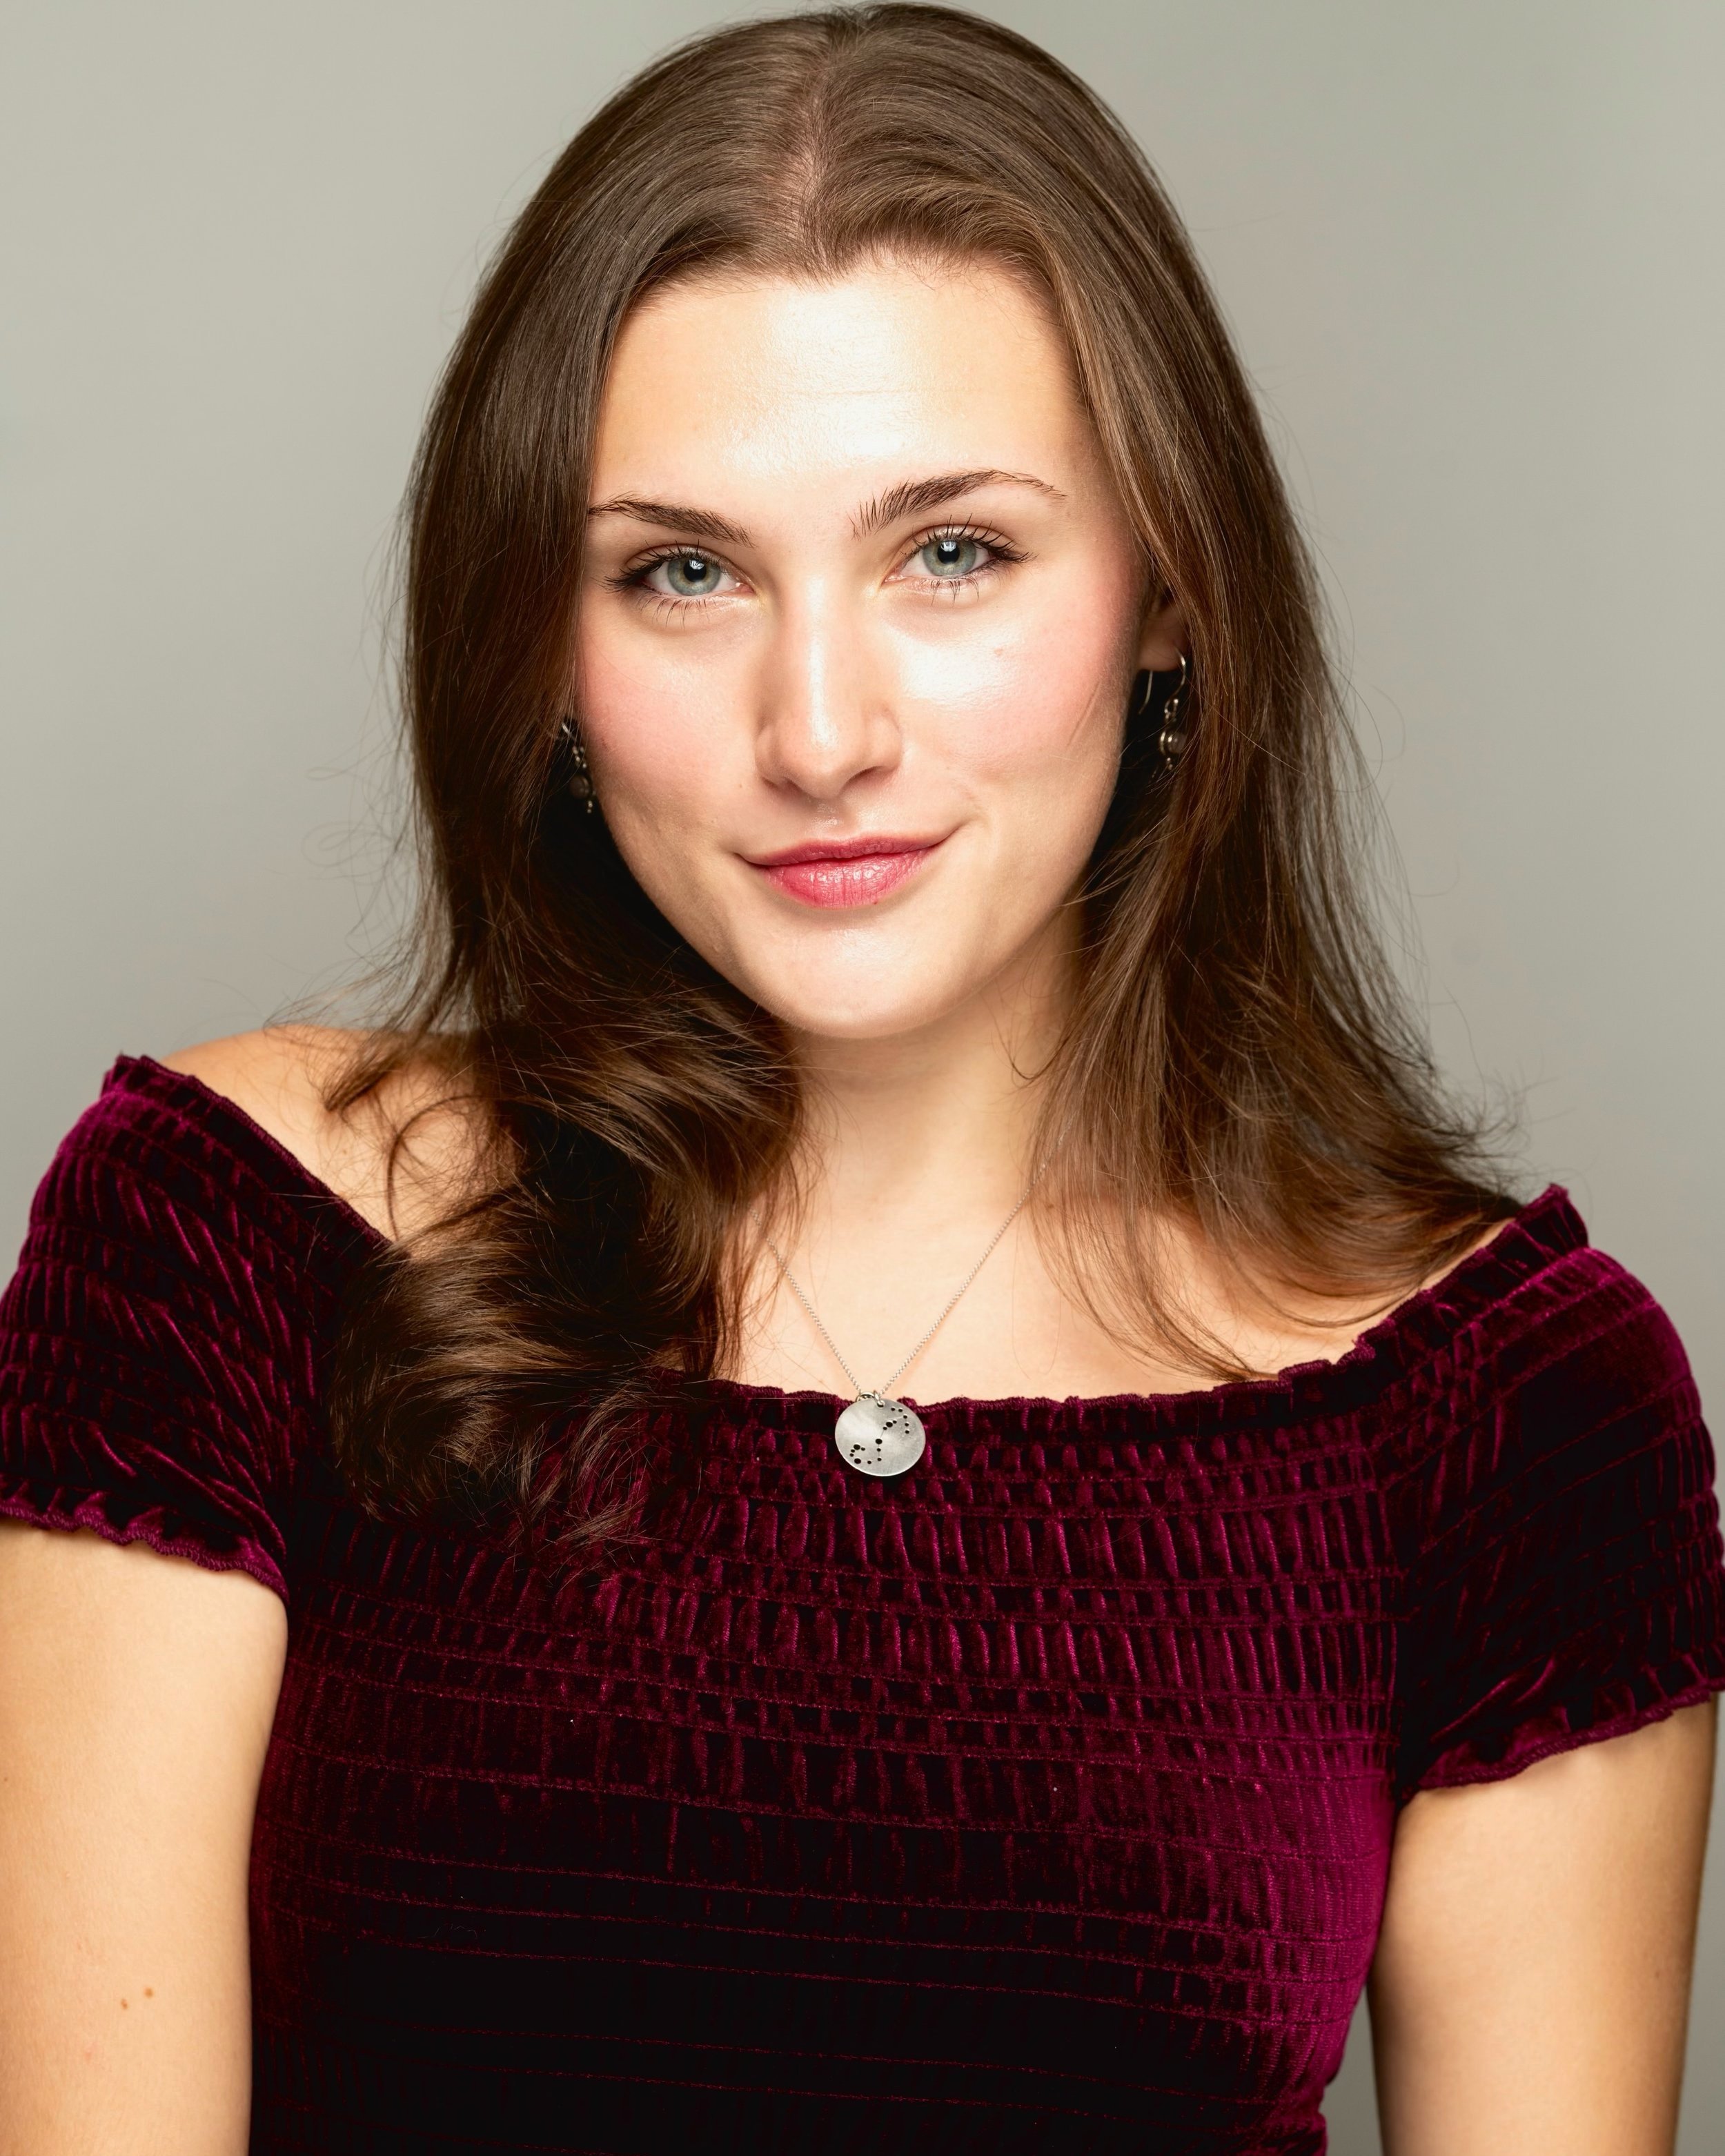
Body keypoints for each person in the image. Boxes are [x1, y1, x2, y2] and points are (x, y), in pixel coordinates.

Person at [1, 7, 1720, 2152]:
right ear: (543, 650)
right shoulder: (226, 1249)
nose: (820, 729)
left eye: (953, 554)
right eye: (683, 573)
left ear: (1164, 597)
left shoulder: (1501, 1419)